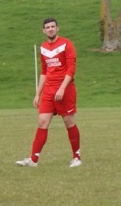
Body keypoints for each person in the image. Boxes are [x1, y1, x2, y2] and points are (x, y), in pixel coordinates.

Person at [16, 18, 82, 167]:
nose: (50, 29)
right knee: (42, 122)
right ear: (44, 31)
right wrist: (38, 94)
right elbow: (44, 72)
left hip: (65, 89)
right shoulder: (43, 47)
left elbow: (71, 68)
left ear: (57, 28)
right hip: (48, 91)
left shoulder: (67, 44)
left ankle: (77, 157)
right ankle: (33, 160)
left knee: (69, 122)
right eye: (47, 27)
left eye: (53, 26)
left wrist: (62, 88)